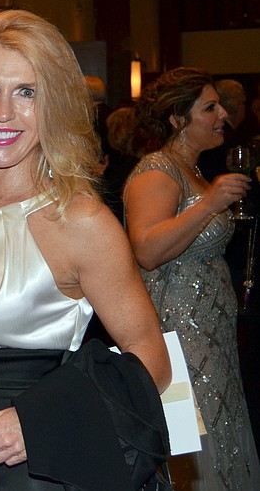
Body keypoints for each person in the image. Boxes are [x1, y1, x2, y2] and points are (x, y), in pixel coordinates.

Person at [0, 9, 171, 489]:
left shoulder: (79, 219)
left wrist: (40, 419)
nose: (3, 111)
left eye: (27, 92)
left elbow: (151, 356)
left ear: (54, 106)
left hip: (38, 472)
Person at [123, 67, 260, 490]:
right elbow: (146, 250)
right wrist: (211, 203)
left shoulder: (194, 170)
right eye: (210, 107)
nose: (223, 115)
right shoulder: (157, 171)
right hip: (180, 337)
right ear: (178, 119)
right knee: (194, 440)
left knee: (223, 432)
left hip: (211, 335)